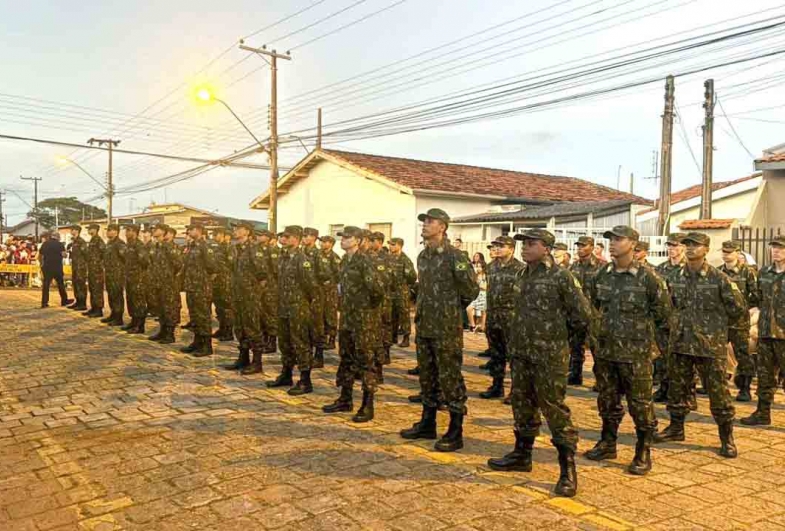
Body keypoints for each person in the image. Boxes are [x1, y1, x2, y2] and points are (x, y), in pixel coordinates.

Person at [487, 229, 590, 498]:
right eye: (523, 244)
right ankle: (522, 455)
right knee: (522, 405)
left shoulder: (561, 276)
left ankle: (567, 470)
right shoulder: (522, 274)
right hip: (521, 353)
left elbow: (581, 316)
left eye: (531, 244)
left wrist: (557, 339)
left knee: (554, 409)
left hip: (549, 356)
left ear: (546, 248)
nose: (525, 248)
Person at [585, 226, 672, 475]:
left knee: (641, 405)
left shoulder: (649, 278)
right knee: (607, 400)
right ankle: (607, 443)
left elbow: (665, 317)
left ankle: (643, 451)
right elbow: (593, 308)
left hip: (636, 354)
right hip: (607, 352)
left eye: (619, 239)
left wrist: (653, 349)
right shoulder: (602, 274)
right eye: (610, 239)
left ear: (633, 243)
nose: (613, 243)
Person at [654, 232, 746, 458]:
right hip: (680, 343)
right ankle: (676, 428)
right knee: (677, 389)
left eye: (696, 245)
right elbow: (665, 307)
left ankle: (727, 438)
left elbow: (738, 310)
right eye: (688, 245)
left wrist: (719, 333)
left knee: (718, 394)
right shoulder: (674, 276)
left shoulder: (719, 279)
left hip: (709, 346)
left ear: (706, 249)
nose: (691, 248)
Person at [400, 208, 479, 452]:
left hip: (445, 328)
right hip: (425, 326)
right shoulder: (423, 256)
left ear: (442, 227)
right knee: (427, 376)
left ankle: (455, 431)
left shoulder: (456, 256)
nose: (425, 225)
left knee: (450, 379)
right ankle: (428, 423)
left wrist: (450, 310)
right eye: (424, 221)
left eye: (430, 221)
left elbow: (471, 290)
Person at [322, 226, 384, 422]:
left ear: (357, 240)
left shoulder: (365, 260)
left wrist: (367, 310)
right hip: (348, 318)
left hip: (364, 320)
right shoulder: (345, 261)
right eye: (342, 237)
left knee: (366, 360)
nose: (343, 240)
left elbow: (377, 289)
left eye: (347, 237)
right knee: (346, 358)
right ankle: (345, 398)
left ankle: (368, 404)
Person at [268, 226, 318, 395]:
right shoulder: (283, 257)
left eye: (287, 236)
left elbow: (311, 286)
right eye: (282, 236)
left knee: (301, 343)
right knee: (285, 343)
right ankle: (286, 374)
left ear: (296, 239)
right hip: (283, 306)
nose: (283, 239)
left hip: (298, 308)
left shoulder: (302, 259)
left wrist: (303, 304)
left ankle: (305, 380)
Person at [741, 235, 785, 426]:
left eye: (781, 248)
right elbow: (756, 299)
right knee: (765, 375)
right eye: (774, 247)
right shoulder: (764, 272)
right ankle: (762, 412)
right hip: (766, 333)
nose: (776, 251)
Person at [480, 236, 524, 401]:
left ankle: (516, 390)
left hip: (511, 317)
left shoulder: (520, 268)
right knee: (496, 354)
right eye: (495, 246)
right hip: (493, 316)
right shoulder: (491, 267)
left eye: (501, 246)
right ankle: (496, 386)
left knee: (514, 356)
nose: (497, 249)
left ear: (511, 249)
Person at [223, 222, 268, 374]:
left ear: (247, 231)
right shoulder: (236, 248)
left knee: (253, 327)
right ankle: (243, 358)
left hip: (250, 296)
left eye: (238, 229)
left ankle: (257, 362)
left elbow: (263, 274)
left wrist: (254, 293)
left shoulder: (254, 248)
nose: (235, 231)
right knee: (240, 327)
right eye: (234, 229)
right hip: (238, 295)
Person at [719, 240, 760, 402]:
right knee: (717, 355)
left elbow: (756, 296)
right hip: (720, 321)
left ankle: (744, 388)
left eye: (729, 252)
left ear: (737, 253)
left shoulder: (747, 273)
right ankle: (719, 387)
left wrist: (744, 309)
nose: (726, 255)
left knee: (743, 355)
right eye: (724, 251)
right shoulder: (717, 272)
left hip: (740, 321)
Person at [653, 233, 687, 403]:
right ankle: (664, 388)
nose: (672, 249)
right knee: (663, 357)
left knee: (683, 359)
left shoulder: (690, 269)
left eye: (676, 246)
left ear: (683, 247)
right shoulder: (660, 269)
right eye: (670, 246)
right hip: (663, 321)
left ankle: (687, 394)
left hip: (683, 322)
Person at [568, 236, 604, 386]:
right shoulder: (573, 266)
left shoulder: (601, 266)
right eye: (578, 246)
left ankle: (600, 379)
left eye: (583, 246)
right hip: (576, 313)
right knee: (576, 346)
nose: (580, 249)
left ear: (591, 247)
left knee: (597, 348)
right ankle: (575, 375)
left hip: (594, 314)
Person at [180, 223, 216, 357]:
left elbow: (212, 267)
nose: (189, 231)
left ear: (200, 230)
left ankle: (206, 346)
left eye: (192, 229)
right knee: (194, 316)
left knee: (203, 316)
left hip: (201, 287)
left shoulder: (205, 246)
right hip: (191, 287)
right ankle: (197, 342)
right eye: (188, 229)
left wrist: (204, 281)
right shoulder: (191, 246)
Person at [147, 225, 182, 344]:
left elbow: (178, 264)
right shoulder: (155, 246)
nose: (153, 231)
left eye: (156, 229)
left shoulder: (170, 246)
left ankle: (169, 334)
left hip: (168, 283)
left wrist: (169, 277)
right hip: (157, 282)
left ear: (163, 232)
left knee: (169, 308)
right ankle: (162, 331)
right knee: (160, 308)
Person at [368, 232, 394, 382]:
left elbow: (390, 281)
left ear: (379, 242)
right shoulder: (364, 257)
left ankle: (378, 370)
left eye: (372, 240)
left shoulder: (386, 259)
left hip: (382, 304)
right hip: (367, 305)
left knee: (380, 336)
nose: (369, 243)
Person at [302, 227, 327, 368]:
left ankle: (319, 355)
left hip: (316, 295)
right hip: (303, 296)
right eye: (303, 235)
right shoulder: (301, 253)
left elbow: (325, 274)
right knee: (305, 326)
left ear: (314, 238)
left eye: (307, 236)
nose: (304, 238)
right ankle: (308, 354)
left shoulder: (318, 254)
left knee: (317, 325)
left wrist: (315, 286)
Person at [388, 237, 417, 349]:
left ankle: (406, 338)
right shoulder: (388, 258)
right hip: (390, 291)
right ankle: (392, 337)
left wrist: (405, 284)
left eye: (393, 244)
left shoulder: (405, 260)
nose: (391, 246)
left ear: (400, 246)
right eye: (390, 244)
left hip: (402, 291)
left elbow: (412, 277)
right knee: (391, 315)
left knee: (404, 315)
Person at [121, 224, 150, 334]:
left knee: (138, 301)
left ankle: (140, 325)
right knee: (131, 300)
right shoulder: (129, 245)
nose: (126, 233)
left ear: (134, 232)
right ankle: (133, 322)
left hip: (138, 278)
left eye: (128, 230)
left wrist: (138, 272)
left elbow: (145, 262)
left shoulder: (139, 245)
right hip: (130, 277)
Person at [210, 227, 235, 342]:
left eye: (216, 234)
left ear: (223, 235)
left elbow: (232, 264)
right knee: (219, 308)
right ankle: (222, 328)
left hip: (226, 281)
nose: (214, 237)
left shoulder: (230, 248)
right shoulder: (217, 248)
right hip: (217, 282)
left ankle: (228, 332)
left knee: (227, 308)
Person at [318, 235, 342, 351]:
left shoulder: (334, 257)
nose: (321, 244)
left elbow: (338, 275)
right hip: (320, 290)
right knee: (320, 314)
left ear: (331, 244)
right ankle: (322, 338)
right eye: (321, 242)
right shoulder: (317, 255)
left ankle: (332, 339)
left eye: (324, 242)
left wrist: (329, 282)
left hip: (330, 291)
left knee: (330, 314)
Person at [102, 224, 127, 326]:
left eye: (110, 230)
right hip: (109, 273)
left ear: (116, 232)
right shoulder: (109, 243)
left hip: (117, 274)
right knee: (111, 295)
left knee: (117, 295)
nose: (108, 232)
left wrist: (121, 270)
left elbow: (125, 258)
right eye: (107, 230)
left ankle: (118, 318)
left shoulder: (119, 243)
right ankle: (113, 314)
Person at [39, 232, 71, 308]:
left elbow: (40, 255)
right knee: (60, 284)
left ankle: (44, 302)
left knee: (46, 285)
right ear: (58, 237)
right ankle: (64, 300)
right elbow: (64, 255)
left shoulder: (45, 244)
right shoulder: (60, 244)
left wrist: (41, 264)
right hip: (57, 267)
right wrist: (66, 253)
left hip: (47, 267)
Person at [83, 223, 106, 318]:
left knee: (97, 290)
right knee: (92, 289)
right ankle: (94, 307)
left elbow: (103, 254)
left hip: (97, 270)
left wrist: (99, 264)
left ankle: (99, 309)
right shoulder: (92, 240)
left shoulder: (99, 241)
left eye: (90, 229)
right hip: (92, 269)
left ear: (96, 230)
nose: (89, 231)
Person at [67, 225, 88, 311]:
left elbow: (86, 253)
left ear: (77, 231)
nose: (71, 231)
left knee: (81, 285)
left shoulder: (81, 241)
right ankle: (78, 302)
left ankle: (82, 304)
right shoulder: (74, 242)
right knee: (75, 284)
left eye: (72, 230)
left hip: (80, 267)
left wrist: (83, 264)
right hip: (75, 266)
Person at [468, 262, 487, 333]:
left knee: (483, 312)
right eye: (477, 266)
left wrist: (478, 285)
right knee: (469, 309)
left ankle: (482, 327)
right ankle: (473, 325)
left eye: (480, 267)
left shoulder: (484, 276)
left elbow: (485, 287)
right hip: (476, 295)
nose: (478, 268)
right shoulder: (475, 276)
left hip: (483, 295)